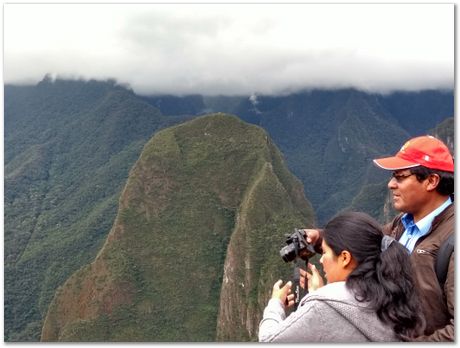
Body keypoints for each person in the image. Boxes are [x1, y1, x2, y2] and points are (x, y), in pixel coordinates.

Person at [305, 135, 454, 341]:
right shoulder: (401, 225)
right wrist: (320, 238)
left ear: (431, 181)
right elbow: (362, 240)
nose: (391, 184)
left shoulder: (452, 240)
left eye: (400, 177)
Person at [258, 212, 425, 343]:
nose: (321, 259)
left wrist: (276, 304)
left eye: (324, 252)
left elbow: (269, 340)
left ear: (345, 257)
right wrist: (320, 292)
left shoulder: (323, 305)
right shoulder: (391, 294)